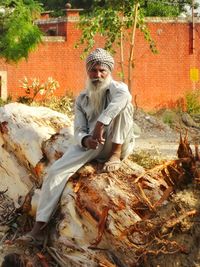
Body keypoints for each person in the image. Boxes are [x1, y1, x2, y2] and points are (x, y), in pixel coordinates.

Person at [17, 48, 136, 246]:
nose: (97, 75)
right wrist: (85, 140)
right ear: (87, 72)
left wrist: (101, 123)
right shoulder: (82, 99)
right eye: (93, 71)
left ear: (109, 72)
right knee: (55, 172)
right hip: (92, 144)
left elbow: (123, 100)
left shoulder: (119, 89)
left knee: (125, 107)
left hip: (117, 143)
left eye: (102, 71)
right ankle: (38, 230)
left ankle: (114, 155)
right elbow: (79, 129)